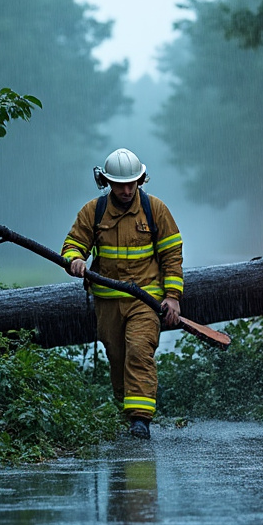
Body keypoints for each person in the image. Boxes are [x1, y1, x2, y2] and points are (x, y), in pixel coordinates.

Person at [62, 148, 183, 439]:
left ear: (141, 179)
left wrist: (172, 296)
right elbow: (73, 243)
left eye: (132, 183)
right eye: (120, 184)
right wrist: (75, 259)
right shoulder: (94, 211)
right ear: (107, 182)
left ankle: (140, 421)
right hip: (108, 303)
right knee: (117, 356)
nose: (127, 190)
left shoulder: (156, 210)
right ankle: (124, 410)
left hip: (145, 300)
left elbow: (172, 255)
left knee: (139, 352)